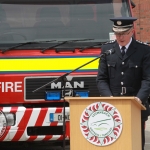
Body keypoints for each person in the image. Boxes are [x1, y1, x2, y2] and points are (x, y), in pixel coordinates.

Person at [96, 17, 150, 150]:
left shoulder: (144, 50)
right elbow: (101, 79)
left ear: (132, 32)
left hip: (136, 105)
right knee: (114, 143)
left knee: (135, 144)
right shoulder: (107, 50)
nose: (120, 37)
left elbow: (148, 79)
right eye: (117, 34)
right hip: (113, 106)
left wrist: (139, 99)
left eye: (123, 33)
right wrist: (109, 98)